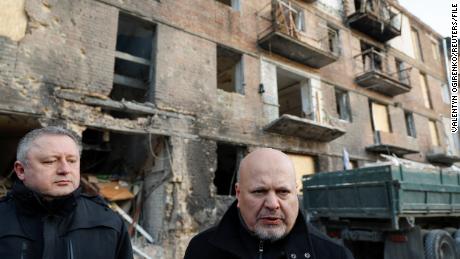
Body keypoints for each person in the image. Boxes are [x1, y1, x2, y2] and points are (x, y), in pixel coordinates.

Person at [184, 148, 354, 259]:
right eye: (259, 191)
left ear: (295, 192)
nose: (273, 204)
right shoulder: (201, 250)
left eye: (283, 192)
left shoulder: (333, 254)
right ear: (238, 193)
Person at [0, 126, 133, 259]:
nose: (65, 169)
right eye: (50, 161)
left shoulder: (108, 222)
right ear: (21, 170)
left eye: (71, 161)